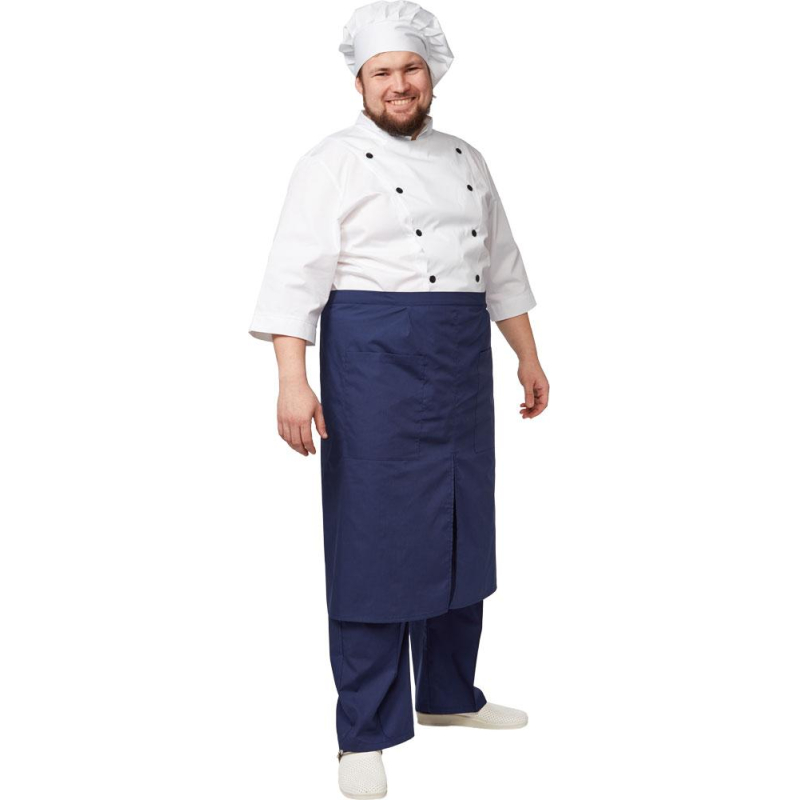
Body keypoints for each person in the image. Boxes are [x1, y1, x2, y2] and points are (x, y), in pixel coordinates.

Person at [248, 1, 549, 796]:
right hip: (373, 361)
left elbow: (503, 266)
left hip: (460, 360)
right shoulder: (330, 162)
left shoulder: (468, 157)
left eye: (410, 68)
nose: (399, 83)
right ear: (360, 83)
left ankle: (448, 694)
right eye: (382, 71)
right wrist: (291, 380)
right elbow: (293, 278)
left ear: (432, 75)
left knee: (461, 527)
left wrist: (527, 357)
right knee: (374, 542)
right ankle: (364, 732)